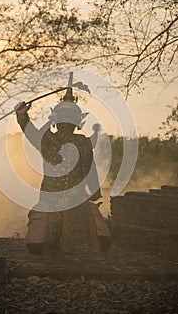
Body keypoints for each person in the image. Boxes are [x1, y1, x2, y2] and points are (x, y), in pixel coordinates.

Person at [15, 85, 111, 254]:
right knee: (37, 244)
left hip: (76, 200)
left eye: (70, 118)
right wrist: (22, 116)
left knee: (101, 240)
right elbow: (91, 170)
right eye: (66, 117)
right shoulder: (51, 140)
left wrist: (93, 192)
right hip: (51, 199)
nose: (67, 122)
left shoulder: (81, 143)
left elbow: (89, 168)